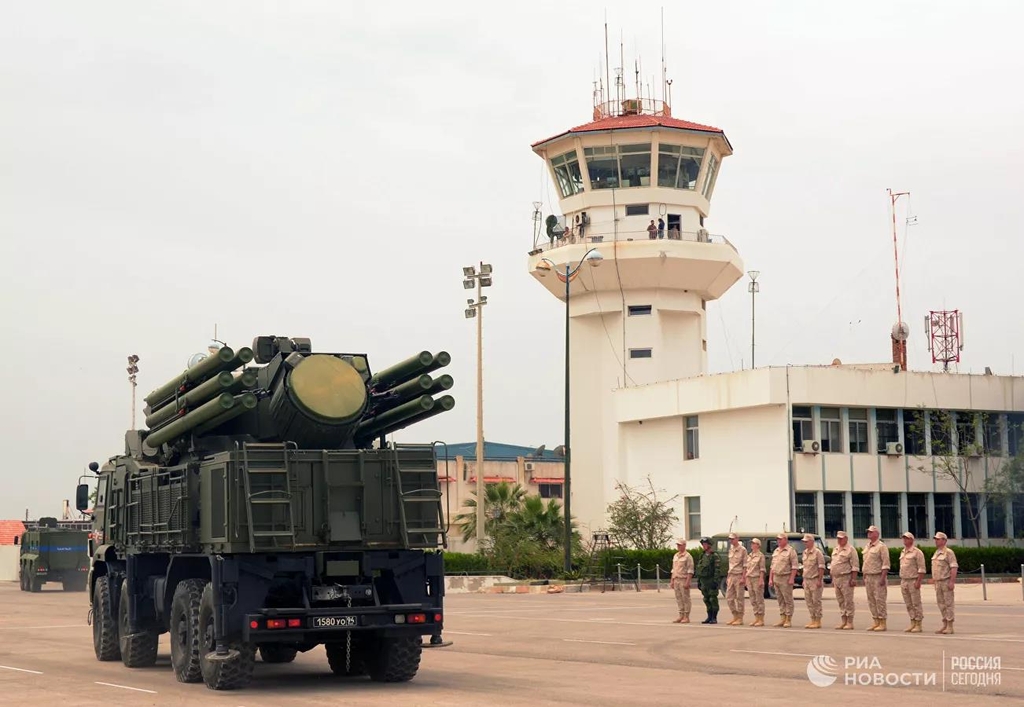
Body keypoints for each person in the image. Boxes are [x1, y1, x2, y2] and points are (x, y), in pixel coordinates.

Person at [862, 525, 890, 631]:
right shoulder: (867, 546)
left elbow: (886, 563)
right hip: (868, 577)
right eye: (868, 532)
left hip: (878, 576)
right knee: (871, 600)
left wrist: (883, 577)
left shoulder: (881, 546)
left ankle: (882, 622)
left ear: (877, 534)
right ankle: (876, 621)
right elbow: (866, 562)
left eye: (871, 532)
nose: (868, 533)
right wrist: (864, 576)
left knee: (880, 600)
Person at [830, 530, 859, 629]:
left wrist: (853, 579)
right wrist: (833, 578)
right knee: (840, 601)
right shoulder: (836, 549)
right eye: (838, 538)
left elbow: (855, 566)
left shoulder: (851, 550)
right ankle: (844, 621)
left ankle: (850, 622)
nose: (839, 540)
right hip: (837, 578)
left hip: (846, 578)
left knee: (848, 601)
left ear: (846, 539)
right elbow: (833, 564)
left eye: (841, 538)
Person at [768, 533, 798, 628]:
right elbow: (772, 566)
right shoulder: (776, 551)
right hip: (776, 577)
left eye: (780, 539)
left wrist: (792, 578)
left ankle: (788, 618)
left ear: (785, 540)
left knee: (787, 599)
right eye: (778, 539)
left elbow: (794, 566)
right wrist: (770, 579)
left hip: (785, 577)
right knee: (780, 599)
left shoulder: (790, 551)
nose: (779, 541)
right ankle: (782, 618)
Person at [899, 531, 926, 633]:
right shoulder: (903, 552)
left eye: (907, 538)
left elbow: (922, 569)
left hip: (913, 580)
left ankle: (918, 623)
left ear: (911, 540)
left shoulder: (917, 552)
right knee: (908, 603)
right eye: (904, 538)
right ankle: (912, 622)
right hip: (904, 580)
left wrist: (918, 581)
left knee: (916, 603)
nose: (904, 540)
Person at [931, 531, 958, 634]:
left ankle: (950, 625)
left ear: (944, 540)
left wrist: (952, 581)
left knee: (948, 604)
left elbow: (954, 567)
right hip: (938, 582)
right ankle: (945, 624)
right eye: (936, 539)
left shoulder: (949, 552)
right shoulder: (937, 552)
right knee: (941, 604)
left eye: (938, 539)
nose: (936, 541)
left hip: (946, 581)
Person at [801, 533, 826, 629]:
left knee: (816, 601)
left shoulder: (817, 552)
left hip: (815, 580)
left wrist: (819, 580)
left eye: (806, 542)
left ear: (811, 542)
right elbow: (805, 568)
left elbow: (821, 567)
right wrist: (803, 580)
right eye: (804, 542)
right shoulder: (805, 552)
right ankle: (812, 619)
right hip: (807, 580)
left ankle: (818, 621)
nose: (805, 543)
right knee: (809, 601)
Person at [695, 537, 722, 624]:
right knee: (706, 599)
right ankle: (709, 616)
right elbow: (700, 569)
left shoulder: (714, 556)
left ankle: (714, 617)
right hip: (704, 581)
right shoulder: (702, 555)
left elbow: (717, 569)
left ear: (709, 545)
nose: (704, 546)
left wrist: (715, 581)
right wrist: (699, 581)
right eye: (703, 544)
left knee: (712, 599)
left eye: (705, 544)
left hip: (711, 581)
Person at [725, 532, 748, 625]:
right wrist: (728, 576)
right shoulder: (731, 549)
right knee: (729, 598)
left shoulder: (743, 550)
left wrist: (743, 577)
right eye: (730, 539)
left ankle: (740, 618)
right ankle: (735, 615)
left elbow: (745, 565)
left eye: (733, 539)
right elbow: (730, 564)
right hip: (731, 575)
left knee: (739, 598)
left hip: (739, 575)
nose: (731, 541)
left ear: (737, 539)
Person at [670, 538, 694, 623]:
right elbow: (673, 569)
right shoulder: (676, 555)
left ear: (684, 545)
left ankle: (686, 616)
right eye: (677, 545)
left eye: (680, 545)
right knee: (678, 598)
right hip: (676, 579)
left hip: (683, 579)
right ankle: (681, 615)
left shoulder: (688, 556)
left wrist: (688, 581)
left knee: (685, 598)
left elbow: (690, 570)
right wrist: (672, 580)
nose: (678, 547)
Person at [744, 537, 766, 626]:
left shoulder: (761, 556)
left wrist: (761, 579)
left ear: (758, 545)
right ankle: (756, 617)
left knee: (759, 599)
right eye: (751, 543)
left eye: (753, 543)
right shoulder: (749, 555)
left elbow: (762, 569)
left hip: (757, 578)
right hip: (749, 578)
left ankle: (761, 618)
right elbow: (747, 568)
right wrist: (745, 578)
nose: (751, 545)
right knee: (753, 599)